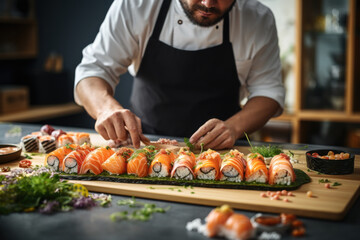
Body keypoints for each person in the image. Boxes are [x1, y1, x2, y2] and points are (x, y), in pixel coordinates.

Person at [75, 0, 285, 149]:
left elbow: (268, 92)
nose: (208, 3)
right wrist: (106, 109)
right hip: (144, 144)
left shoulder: (258, 19)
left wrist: (234, 127)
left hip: (223, 151)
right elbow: (94, 70)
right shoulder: (136, 6)